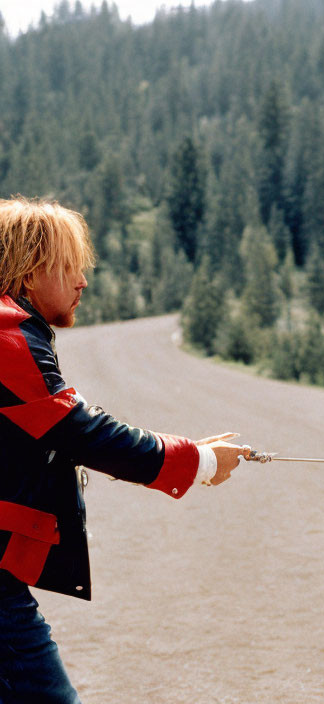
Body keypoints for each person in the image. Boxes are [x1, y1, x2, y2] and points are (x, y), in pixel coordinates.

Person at [0, 197, 249, 703]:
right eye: (70, 267)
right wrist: (195, 462)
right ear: (30, 272)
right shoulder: (8, 335)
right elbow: (78, 430)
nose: (82, 282)